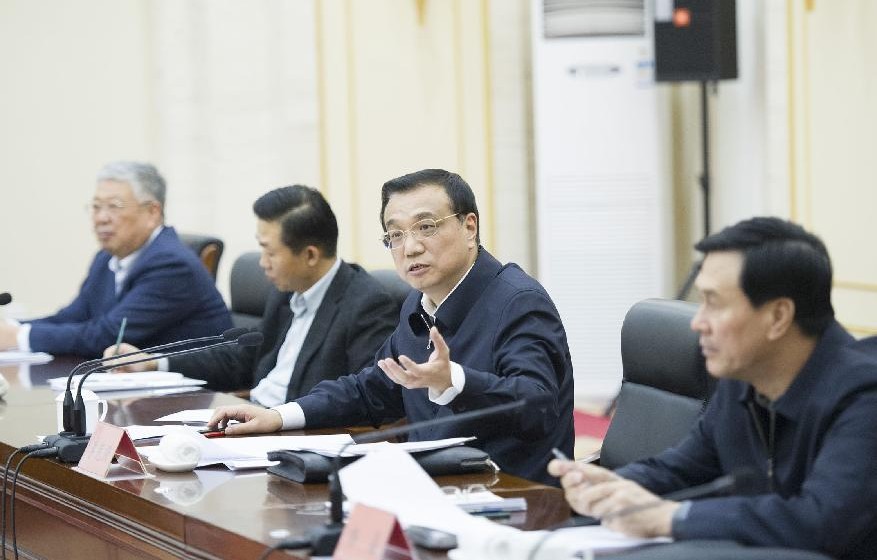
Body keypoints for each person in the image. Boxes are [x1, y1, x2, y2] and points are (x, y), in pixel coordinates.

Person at [208, 169, 575, 485]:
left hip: (512, 496)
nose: (410, 248)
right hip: (432, 488)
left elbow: (537, 405)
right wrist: (279, 416)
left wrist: (456, 381)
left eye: (426, 227)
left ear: (469, 227)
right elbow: (372, 389)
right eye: (395, 235)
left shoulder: (519, 301)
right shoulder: (417, 303)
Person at [549, 217, 877, 559]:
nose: (697, 322)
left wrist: (670, 518)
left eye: (714, 302)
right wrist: (613, 486)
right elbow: (683, 468)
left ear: (778, 316)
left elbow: (819, 522)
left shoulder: (865, 394)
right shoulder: (743, 379)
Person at [107, 185, 399, 405]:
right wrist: (153, 361)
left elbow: (364, 396)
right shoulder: (286, 293)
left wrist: (278, 418)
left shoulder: (366, 304)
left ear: (310, 255)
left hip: (298, 435)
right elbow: (240, 358)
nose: (262, 263)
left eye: (270, 252)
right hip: (252, 417)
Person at [0, 161, 232, 357]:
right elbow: (73, 317)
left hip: (196, 390)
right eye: (96, 207)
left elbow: (109, 335)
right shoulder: (106, 258)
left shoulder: (172, 265)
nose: (101, 218)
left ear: (152, 213)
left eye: (114, 206)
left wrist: (19, 337)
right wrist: (13, 328)